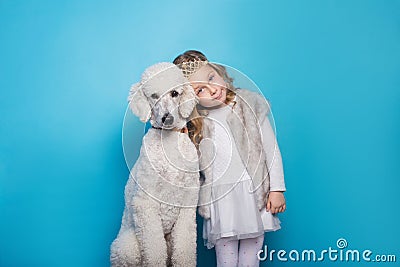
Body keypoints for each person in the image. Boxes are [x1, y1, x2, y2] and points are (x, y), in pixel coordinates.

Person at [173, 50, 286, 267]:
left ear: (219, 72)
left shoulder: (248, 106)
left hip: (254, 193)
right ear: (191, 99)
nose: (213, 90)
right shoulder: (198, 123)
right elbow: (189, 167)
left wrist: (277, 189)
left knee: (250, 259)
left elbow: (271, 150)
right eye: (200, 90)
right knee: (226, 260)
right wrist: (180, 139)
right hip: (220, 198)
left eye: (211, 78)